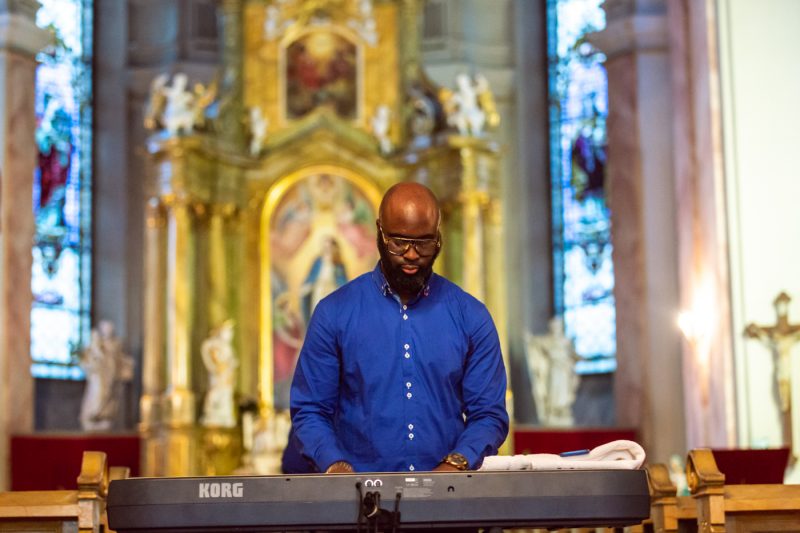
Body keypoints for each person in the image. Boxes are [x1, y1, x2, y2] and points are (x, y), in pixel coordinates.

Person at [289, 182, 508, 474]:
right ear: (380, 232)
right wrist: (334, 465)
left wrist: (456, 463)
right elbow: (310, 409)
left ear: (439, 238)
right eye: (399, 242)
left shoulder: (471, 316)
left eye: (424, 243)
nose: (411, 254)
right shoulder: (334, 313)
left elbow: (489, 414)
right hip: (359, 502)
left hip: (448, 498)